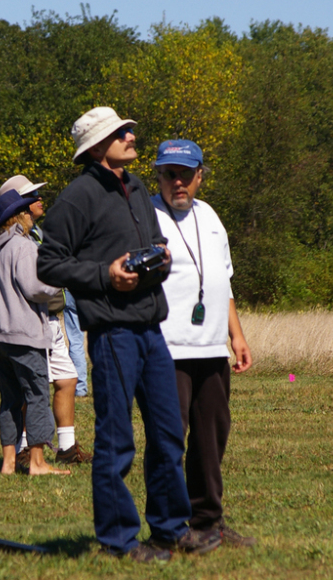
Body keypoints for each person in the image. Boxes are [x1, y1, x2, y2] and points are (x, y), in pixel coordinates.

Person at [37, 107, 221, 562]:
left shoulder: (137, 187)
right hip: (113, 333)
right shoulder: (77, 197)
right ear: (98, 147)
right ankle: (118, 542)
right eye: (122, 132)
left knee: (166, 436)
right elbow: (49, 263)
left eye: (129, 129)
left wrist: (156, 257)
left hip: (151, 329)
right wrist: (106, 274)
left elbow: (157, 239)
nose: (132, 135)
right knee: (117, 441)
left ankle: (169, 530)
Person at [150, 139, 256, 547]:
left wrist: (237, 334)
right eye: (169, 173)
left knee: (212, 436)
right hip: (167, 347)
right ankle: (171, 528)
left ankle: (208, 522)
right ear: (158, 175)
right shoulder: (147, 216)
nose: (178, 182)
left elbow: (222, 279)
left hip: (211, 348)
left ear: (199, 176)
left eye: (186, 174)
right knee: (169, 438)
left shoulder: (210, 216)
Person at [0, 175, 90, 466]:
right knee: (30, 390)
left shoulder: (34, 233)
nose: (38, 199)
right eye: (30, 196)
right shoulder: (8, 237)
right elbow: (33, 285)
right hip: (30, 321)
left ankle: (66, 448)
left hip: (50, 318)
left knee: (67, 379)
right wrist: (61, 277)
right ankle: (26, 453)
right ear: (17, 208)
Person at [0, 189, 69, 476]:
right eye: (26, 211)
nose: (31, 214)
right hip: (22, 334)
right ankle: (38, 463)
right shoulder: (23, 246)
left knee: (10, 399)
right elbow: (36, 288)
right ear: (18, 216)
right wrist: (59, 280)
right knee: (37, 395)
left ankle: (7, 464)